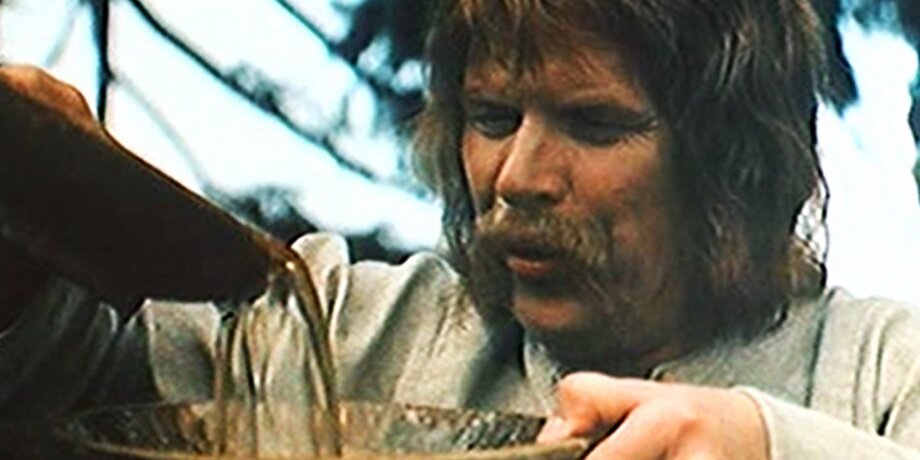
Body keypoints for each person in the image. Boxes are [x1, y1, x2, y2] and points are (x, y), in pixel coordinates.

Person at [2, 0, 920, 458]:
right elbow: (65, 385)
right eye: (492, 118)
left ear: (733, 164)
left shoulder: (883, 371)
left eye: (594, 126)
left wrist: (767, 443)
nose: (518, 177)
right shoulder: (339, 328)